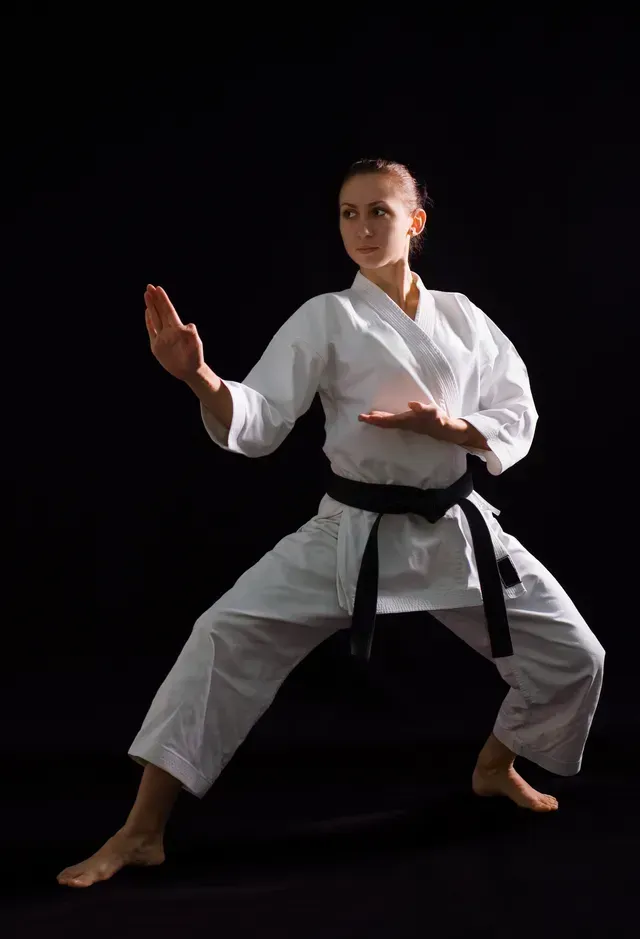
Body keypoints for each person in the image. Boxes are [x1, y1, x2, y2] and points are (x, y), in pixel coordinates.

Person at [57, 158, 605, 888]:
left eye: (380, 211)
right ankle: (141, 830)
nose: (362, 227)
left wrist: (453, 426)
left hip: (453, 526)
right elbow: (258, 418)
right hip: (354, 531)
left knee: (576, 656)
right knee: (222, 633)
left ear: (415, 221)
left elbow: (516, 414)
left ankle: (494, 763)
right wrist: (198, 375)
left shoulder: (464, 317)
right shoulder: (328, 316)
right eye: (349, 213)